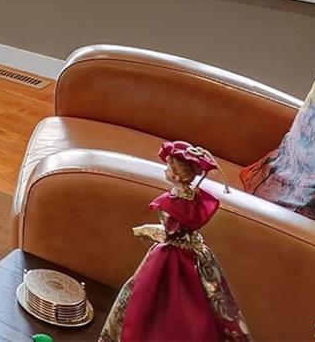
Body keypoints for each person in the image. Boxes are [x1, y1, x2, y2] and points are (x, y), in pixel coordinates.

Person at [99, 141, 251, 342]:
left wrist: (150, 231)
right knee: (202, 298)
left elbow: (171, 233)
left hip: (169, 258)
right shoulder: (194, 199)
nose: (165, 170)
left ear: (177, 176)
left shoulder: (172, 204)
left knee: (149, 295)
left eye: (168, 167)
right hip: (194, 253)